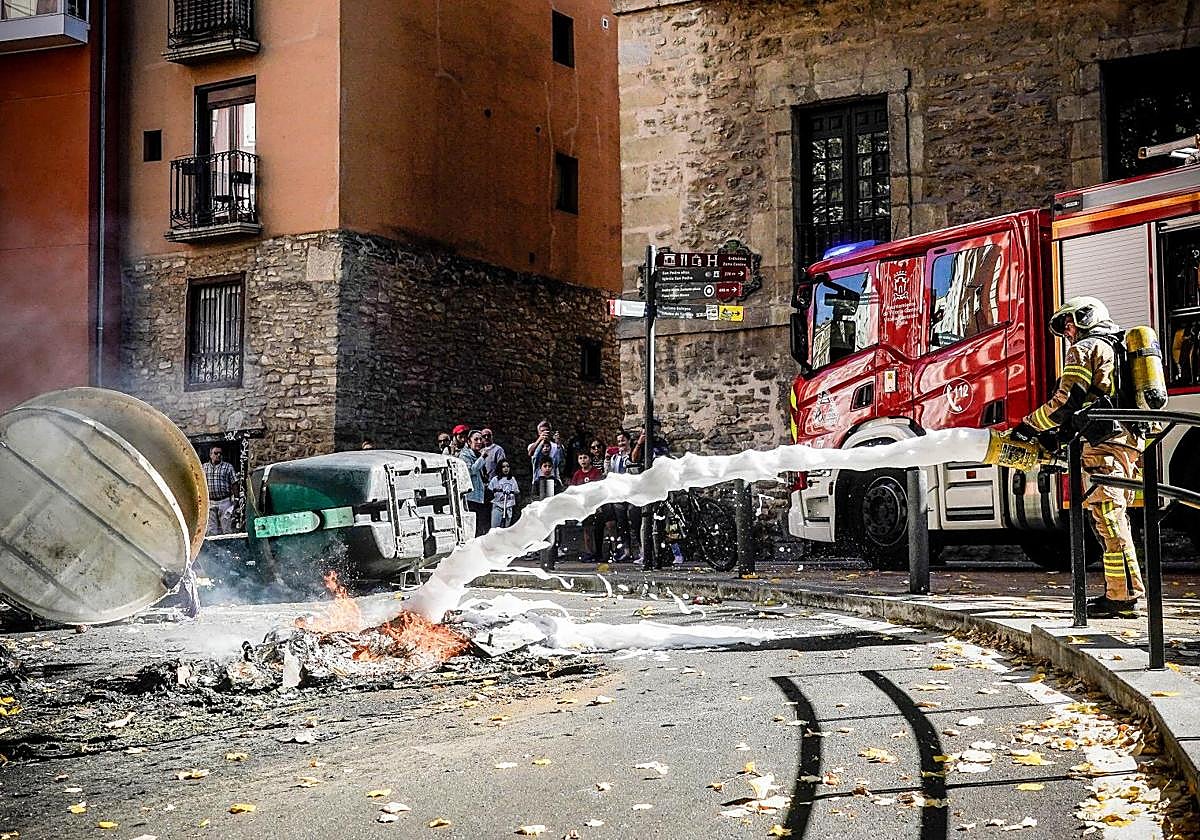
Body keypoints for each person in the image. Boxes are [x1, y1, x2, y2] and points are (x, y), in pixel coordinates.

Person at [1010, 296, 1145, 618]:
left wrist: (1028, 428)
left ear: (1085, 317)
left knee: (1107, 517)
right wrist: (1060, 436)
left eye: (1068, 323)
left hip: (1106, 444)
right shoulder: (1115, 348)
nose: (1066, 331)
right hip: (1123, 440)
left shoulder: (1085, 349)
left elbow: (1066, 399)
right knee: (1113, 518)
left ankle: (1124, 598)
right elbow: (1089, 403)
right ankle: (1122, 592)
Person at [605, 429, 641, 562]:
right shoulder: (615, 457)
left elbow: (636, 471)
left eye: (623, 440)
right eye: (619, 441)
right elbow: (608, 473)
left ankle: (640, 550)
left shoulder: (633, 455)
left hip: (632, 493)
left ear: (628, 441)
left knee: (635, 521)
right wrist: (607, 460)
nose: (621, 443)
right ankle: (626, 551)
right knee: (622, 523)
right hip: (618, 494)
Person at [570, 450, 605, 562]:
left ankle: (599, 552)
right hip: (584, 506)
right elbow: (573, 489)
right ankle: (589, 552)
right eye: (580, 458)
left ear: (590, 459)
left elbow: (599, 489)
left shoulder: (596, 472)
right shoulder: (577, 474)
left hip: (595, 505)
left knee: (598, 530)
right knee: (587, 530)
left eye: (585, 457)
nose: (583, 460)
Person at [458, 430, 490, 537]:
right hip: (470, 496)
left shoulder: (478, 454)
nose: (479, 441)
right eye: (476, 439)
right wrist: (482, 458)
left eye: (481, 439)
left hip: (479, 495)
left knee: (481, 525)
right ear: (469, 441)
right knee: (473, 527)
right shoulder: (464, 455)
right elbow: (470, 471)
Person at [203, 444, 237, 536]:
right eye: (216, 453)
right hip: (210, 501)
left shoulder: (228, 467)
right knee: (210, 529)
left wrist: (236, 499)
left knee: (227, 527)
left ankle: (229, 548)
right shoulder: (204, 468)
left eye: (220, 453)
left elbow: (234, 483)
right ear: (210, 455)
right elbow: (200, 483)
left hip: (224, 501)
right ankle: (213, 549)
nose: (218, 455)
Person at [527, 419, 564, 487]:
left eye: (546, 430)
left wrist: (558, 443)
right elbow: (530, 453)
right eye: (542, 431)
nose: (544, 433)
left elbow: (562, 459)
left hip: (554, 480)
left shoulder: (555, 446)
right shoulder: (533, 445)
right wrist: (540, 439)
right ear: (538, 433)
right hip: (538, 481)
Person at [488, 460, 520, 529]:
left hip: (508, 506)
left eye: (507, 466)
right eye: (503, 467)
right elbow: (490, 490)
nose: (506, 468)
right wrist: (496, 490)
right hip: (498, 506)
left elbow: (516, 491)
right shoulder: (495, 479)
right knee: (495, 528)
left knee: (506, 528)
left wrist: (511, 492)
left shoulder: (512, 479)